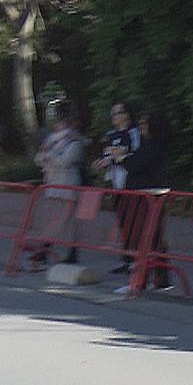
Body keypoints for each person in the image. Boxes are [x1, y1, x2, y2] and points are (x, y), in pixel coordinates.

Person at [117, 111, 174, 293]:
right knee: (152, 238)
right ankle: (159, 278)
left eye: (144, 124)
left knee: (144, 237)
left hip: (148, 197)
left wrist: (122, 158)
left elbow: (138, 165)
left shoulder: (154, 145)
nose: (141, 127)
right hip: (143, 196)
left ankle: (143, 280)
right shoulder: (147, 144)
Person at [30, 100, 87, 268]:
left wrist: (49, 156)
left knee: (65, 221)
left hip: (67, 186)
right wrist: (47, 156)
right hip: (52, 185)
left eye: (62, 123)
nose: (58, 126)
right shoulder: (51, 141)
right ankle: (45, 249)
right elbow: (39, 159)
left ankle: (56, 251)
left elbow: (65, 161)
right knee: (52, 219)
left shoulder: (75, 142)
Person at [94, 101, 142, 276]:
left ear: (126, 114)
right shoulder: (111, 134)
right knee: (123, 222)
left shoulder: (133, 132)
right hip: (116, 184)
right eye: (112, 114)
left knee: (133, 222)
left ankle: (136, 260)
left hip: (131, 183)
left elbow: (136, 154)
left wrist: (118, 156)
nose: (114, 117)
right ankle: (127, 259)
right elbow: (106, 155)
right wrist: (102, 163)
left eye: (118, 113)